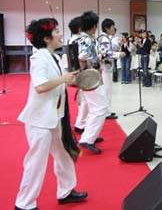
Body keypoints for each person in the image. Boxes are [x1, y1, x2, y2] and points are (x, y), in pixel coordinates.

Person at [15, 18, 87, 210]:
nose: (60, 34)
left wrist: (75, 79)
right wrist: (64, 78)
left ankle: (66, 191)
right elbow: (40, 87)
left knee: (63, 154)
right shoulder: (39, 58)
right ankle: (24, 204)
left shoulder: (53, 57)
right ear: (46, 38)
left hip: (55, 117)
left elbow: (62, 82)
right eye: (56, 31)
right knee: (36, 162)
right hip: (40, 120)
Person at [76, 11, 108, 154]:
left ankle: (89, 136)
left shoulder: (81, 38)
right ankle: (87, 139)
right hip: (90, 77)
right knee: (100, 108)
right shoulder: (87, 40)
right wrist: (93, 64)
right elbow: (82, 57)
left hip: (87, 77)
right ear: (94, 26)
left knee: (93, 107)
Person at [98, 18, 120, 119]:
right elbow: (107, 53)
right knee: (107, 90)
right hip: (106, 68)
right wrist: (119, 54)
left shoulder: (105, 38)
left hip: (107, 67)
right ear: (107, 28)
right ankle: (107, 112)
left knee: (107, 89)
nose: (113, 29)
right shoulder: (105, 39)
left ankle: (107, 110)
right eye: (112, 27)